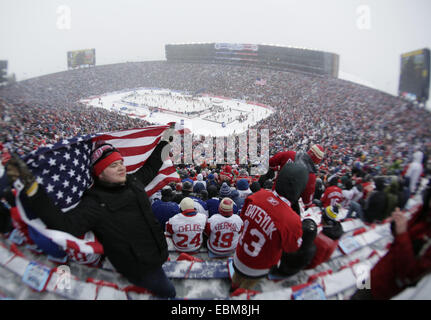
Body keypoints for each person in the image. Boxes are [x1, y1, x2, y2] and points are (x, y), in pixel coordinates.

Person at [5, 135, 176, 298]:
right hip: (140, 266)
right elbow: (64, 225)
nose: (121, 167)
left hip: (157, 250)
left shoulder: (133, 180)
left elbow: (152, 167)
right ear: (100, 173)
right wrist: (32, 188)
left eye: (120, 162)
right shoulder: (94, 202)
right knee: (169, 292)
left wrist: (166, 142)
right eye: (113, 165)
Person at [231, 162, 308, 291]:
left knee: (236, 279)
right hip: (258, 267)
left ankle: (233, 288)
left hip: (239, 255)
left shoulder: (256, 195)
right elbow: (291, 248)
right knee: (245, 289)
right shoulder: (292, 221)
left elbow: (243, 218)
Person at [351, 181, 431, 300]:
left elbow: (409, 274)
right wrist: (396, 225)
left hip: (383, 288)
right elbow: (401, 236)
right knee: (360, 289)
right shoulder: (423, 213)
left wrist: (402, 233)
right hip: (379, 270)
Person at [268, 144, 325, 211]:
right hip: (285, 207)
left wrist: (279, 168)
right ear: (317, 161)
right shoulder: (311, 176)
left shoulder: (290, 154)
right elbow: (307, 202)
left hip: (272, 194)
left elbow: (270, 162)